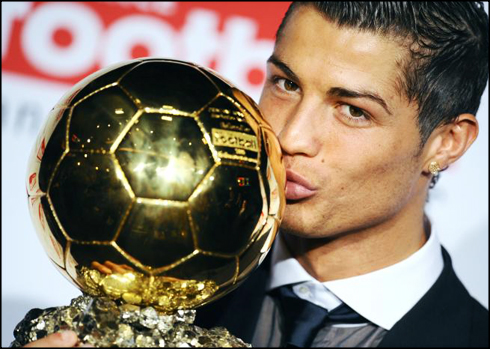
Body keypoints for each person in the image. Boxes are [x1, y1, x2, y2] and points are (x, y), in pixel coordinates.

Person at [21, 1, 489, 347]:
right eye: (285, 84)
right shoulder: (142, 297)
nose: (290, 136)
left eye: (352, 111)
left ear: (446, 143)